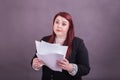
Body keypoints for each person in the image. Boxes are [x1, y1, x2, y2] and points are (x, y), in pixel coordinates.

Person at [31, 12, 90, 80]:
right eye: (57, 22)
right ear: (53, 24)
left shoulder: (78, 43)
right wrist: (35, 63)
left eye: (64, 24)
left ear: (69, 27)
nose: (59, 26)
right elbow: (35, 58)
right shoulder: (44, 40)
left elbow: (86, 69)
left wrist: (69, 67)